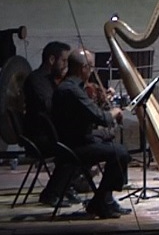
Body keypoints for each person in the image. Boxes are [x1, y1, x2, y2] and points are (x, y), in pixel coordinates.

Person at [51, 48, 132, 218]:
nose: (92, 71)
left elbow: (89, 114)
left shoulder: (72, 87)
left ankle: (105, 200)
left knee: (113, 144)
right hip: (74, 146)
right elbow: (100, 118)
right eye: (92, 67)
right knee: (120, 153)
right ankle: (101, 202)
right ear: (83, 68)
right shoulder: (71, 90)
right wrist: (115, 112)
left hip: (77, 139)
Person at [21, 41, 78, 207]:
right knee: (79, 147)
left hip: (51, 134)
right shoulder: (37, 80)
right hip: (40, 138)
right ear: (52, 60)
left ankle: (66, 186)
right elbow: (50, 107)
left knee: (86, 141)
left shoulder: (50, 80)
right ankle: (53, 192)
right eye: (64, 61)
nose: (66, 65)